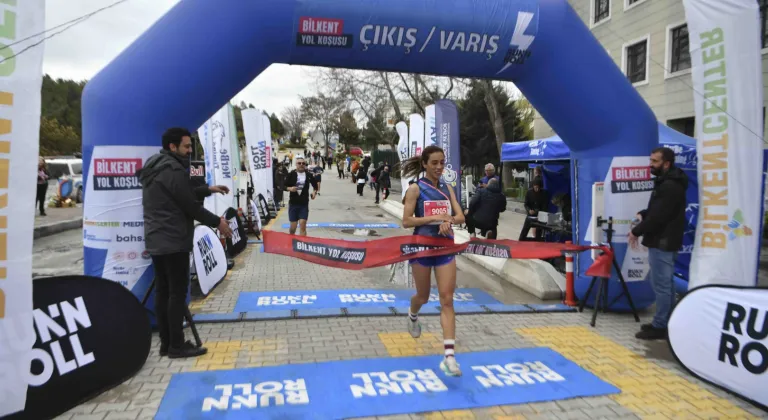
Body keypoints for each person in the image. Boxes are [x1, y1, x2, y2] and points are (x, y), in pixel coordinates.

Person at [138, 127, 233, 358]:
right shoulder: (173, 169)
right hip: (174, 240)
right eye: (186, 146)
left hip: (156, 238)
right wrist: (218, 222)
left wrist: (208, 188)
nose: (190, 150)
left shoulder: (155, 165)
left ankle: (166, 343)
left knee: (163, 291)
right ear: (173, 146)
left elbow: (181, 191)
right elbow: (190, 205)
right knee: (177, 294)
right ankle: (177, 346)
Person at [401, 145, 465, 377]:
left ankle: (449, 357)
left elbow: (460, 216)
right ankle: (413, 314)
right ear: (425, 164)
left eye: (442, 163)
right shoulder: (415, 189)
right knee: (423, 296)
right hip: (422, 248)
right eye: (435, 163)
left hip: (445, 247)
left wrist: (449, 220)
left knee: (447, 300)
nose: (439, 167)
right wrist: (436, 217)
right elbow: (406, 222)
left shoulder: (448, 188)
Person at [629, 147, 688, 340]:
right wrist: (644, 214)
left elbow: (660, 216)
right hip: (662, 239)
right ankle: (667, 321)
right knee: (665, 283)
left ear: (666, 164)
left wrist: (636, 231)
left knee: (662, 284)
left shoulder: (670, 186)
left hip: (663, 241)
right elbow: (656, 211)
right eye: (651, 160)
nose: (650, 164)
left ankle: (661, 325)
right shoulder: (666, 183)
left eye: (654, 161)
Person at [283, 156, 318, 236]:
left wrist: (314, 193)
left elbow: (315, 186)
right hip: (293, 204)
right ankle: (291, 241)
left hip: (304, 204)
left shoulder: (309, 175)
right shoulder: (291, 174)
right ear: (296, 164)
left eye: (303, 163)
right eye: (299, 163)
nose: (301, 165)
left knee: (302, 225)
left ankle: (302, 245)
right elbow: (283, 186)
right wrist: (290, 188)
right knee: (293, 228)